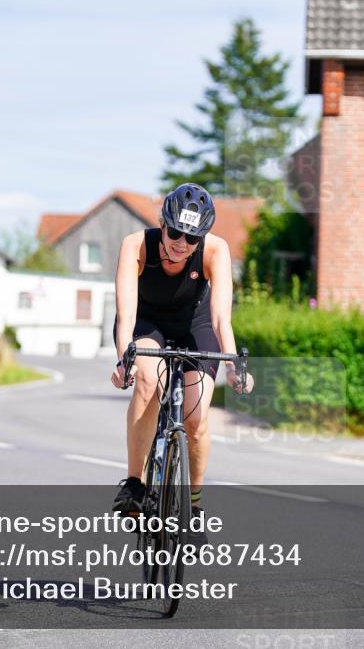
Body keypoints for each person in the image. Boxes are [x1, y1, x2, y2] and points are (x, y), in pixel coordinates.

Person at [110, 183, 254, 521]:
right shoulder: (136, 245)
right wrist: (124, 360)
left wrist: (234, 365)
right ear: (163, 223)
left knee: (195, 419)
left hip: (196, 325)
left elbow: (221, 318)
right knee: (147, 380)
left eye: (192, 238)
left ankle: (193, 504)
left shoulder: (216, 251)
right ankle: (135, 483)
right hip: (148, 322)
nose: (181, 243)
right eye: (175, 232)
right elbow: (126, 314)